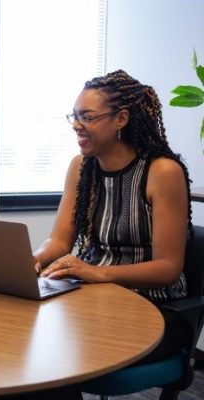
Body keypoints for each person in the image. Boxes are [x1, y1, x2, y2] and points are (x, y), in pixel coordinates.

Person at [29, 70, 193, 399]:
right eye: (74, 116)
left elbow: (168, 267)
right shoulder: (81, 166)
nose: (77, 124)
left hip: (153, 309)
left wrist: (97, 273)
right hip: (88, 300)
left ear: (121, 119)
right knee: (24, 348)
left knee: (48, 363)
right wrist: (30, 260)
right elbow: (59, 241)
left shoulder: (162, 171)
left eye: (87, 117)